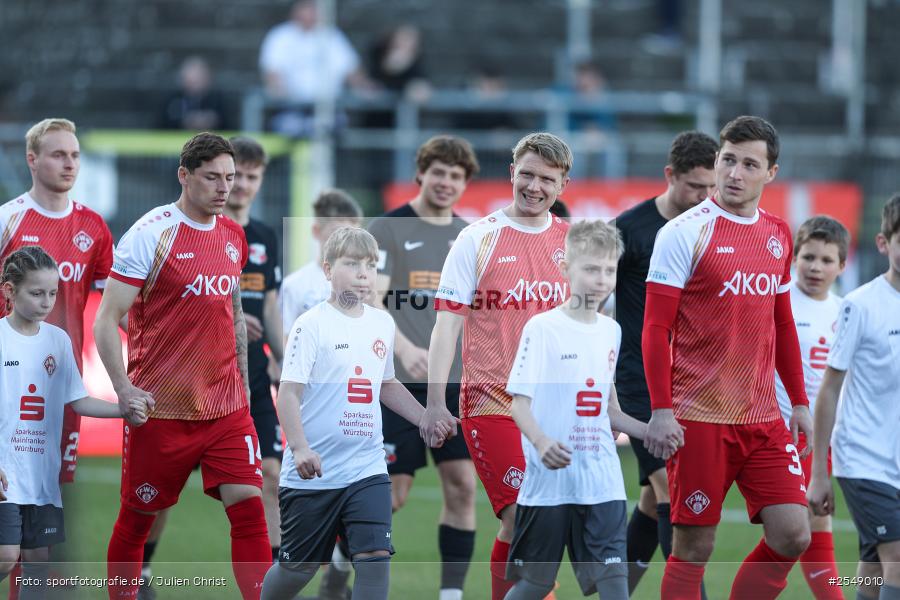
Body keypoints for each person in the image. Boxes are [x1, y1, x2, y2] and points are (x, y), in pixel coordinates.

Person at [94, 133, 271, 600]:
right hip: (160, 408)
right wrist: (124, 390)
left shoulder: (234, 234)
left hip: (226, 407)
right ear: (184, 175)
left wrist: (246, 393)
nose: (223, 188)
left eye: (230, 178)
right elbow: (107, 318)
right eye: (212, 177)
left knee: (250, 509)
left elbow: (232, 312)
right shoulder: (150, 234)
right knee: (137, 519)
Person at [642, 115, 813, 599]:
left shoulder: (779, 233)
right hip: (699, 417)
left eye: (749, 164)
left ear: (771, 173)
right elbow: (655, 329)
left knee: (793, 533)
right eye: (728, 160)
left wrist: (797, 402)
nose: (735, 173)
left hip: (762, 416)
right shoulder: (682, 233)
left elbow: (781, 324)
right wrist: (660, 409)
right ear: (717, 162)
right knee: (694, 546)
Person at [259, 227, 452, 600]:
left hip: (367, 468)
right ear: (328, 270)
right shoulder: (310, 325)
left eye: (370, 264)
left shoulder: (381, 322)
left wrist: (425, 417)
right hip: (314, 473)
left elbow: (386, 384)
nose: (364, 273)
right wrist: (299, 448)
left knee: (375, 558)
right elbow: (287, 395)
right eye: (352, 264)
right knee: (298, 569)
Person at [425, 132, 572, 600]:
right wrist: (433, 403)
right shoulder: (476, 239)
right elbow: (446, 327)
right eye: (526, 174)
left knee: (540, 525)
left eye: (546, 179)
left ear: (562, 184)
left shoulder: (572, 243)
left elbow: (586, 331)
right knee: (520, 516)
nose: (533, 186)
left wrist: (599, 405)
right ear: (511, 173)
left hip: (553, 407)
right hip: (491, 401)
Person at [504, 219, 674, 600]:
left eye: (609, 270)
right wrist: (541, 441)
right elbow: (518, 405)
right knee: (537, 584)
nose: (601, 279)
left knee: (615, 583)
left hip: (601, 481)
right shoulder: (542, 328)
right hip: (549, 485)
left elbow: (608, 409)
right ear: (566, 268)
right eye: (591, 269)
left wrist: (651, 431)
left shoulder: (610, 330)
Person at [0, 246, 148, 600]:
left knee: (37, 561)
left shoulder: (58, 341)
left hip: (42, 474)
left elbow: (76, 399)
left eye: (52, 293)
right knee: (6, 557)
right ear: (9, 291)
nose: (47, 302)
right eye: (36, 293)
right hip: (6, 471)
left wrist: (124, 408)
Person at [368, 135, 479, 600]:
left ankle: (450, 594)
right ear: (420, 173)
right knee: (393, 494)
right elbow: (370, 298)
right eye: (438, 171)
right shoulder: (388, 227)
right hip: (397, 382)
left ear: (465, 183)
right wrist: (406, 346)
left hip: (454, 383)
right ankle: (340, 567)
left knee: (462, 486)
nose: (446, 182)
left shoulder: (471, 234)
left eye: (456, 175)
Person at [612, 130, 717, 593]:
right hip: (637, 382)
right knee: (671, 490)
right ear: (670, 175)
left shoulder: (713, 227)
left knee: (651, 496)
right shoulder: (629, 230)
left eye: (711, 187)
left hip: (691, 384)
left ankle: (616, 588)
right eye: (696, 186)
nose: (704, 197)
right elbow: (590, 299)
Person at [0, 118, 115, 485]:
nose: (70, 164)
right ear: (32, 160)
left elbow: (116, 309)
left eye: (75, 155)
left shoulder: (94, 227)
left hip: (61, 381)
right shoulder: (7, 221)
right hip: (9, 380)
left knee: (49, 501)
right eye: (58, 155)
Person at [808, 195, 900, 600]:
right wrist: (819, 471)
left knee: (876, 567)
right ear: (884, 243)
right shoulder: (860, 305)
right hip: (863, 457)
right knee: (897, 557)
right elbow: (829, 388)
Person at [770, 216, 849, 600]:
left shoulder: (846, 311)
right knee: (797, 534)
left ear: (842, 265)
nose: (816, 267)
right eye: (808, 257)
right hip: (782, 436)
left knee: (816, 530)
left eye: (826, 260)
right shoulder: (777, 303)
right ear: (793, 258)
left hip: (827, 442)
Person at [259, 0, 370, 136]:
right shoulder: (281, 36)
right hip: (292, 110)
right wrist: (279, 91)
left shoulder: (332, 35)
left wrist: (365, 88)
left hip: (329, 109)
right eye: (306, 8)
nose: (311, 13)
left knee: (333, 130)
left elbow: (350, 69)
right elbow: (272, 72)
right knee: (293, 130)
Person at [280, 189, 363, 334]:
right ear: (316, 231)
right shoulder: (294, 285)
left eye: (352, 234)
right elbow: (285, 342)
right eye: (337, 232)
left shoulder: (366, 282)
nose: (345, 241)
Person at [159, 56, 228, 131]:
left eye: (199, 78)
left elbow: (227, 124)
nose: (195, 83)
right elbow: (162, 124)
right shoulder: (172, 99)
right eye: (191, 79)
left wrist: (211, 120)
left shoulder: (217, 99)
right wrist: (185, 121)